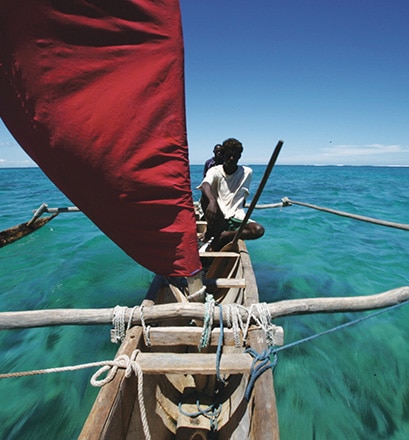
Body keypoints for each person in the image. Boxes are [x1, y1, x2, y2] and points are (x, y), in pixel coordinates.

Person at [198, 138, 264, 251]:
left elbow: (241, 196)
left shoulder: (247, 172)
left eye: (235, 155)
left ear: (239, 156)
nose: (232, 159)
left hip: (235, 216)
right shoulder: (215, 171)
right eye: (228, 155)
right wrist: (212, 201)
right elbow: (205, 185)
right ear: (223, 155)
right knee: (205, 197)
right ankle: (214, 233)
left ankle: (224, 235)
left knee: (258, 230)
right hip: (217, 216)